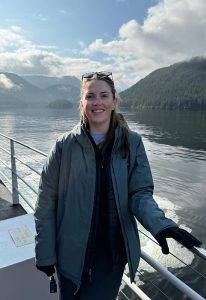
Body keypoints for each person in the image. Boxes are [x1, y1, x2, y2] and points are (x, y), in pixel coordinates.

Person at [34, 71, 201, 300]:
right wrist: (45, 254)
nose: (97, 102)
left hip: (110, 256)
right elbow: (45, 203)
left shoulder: (132, 143)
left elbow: (140, 193)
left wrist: (160, 224)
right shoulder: (64, 146)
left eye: (104, 95)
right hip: (69, 254)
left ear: (114, 101)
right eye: (90, 96)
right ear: (82, 103)